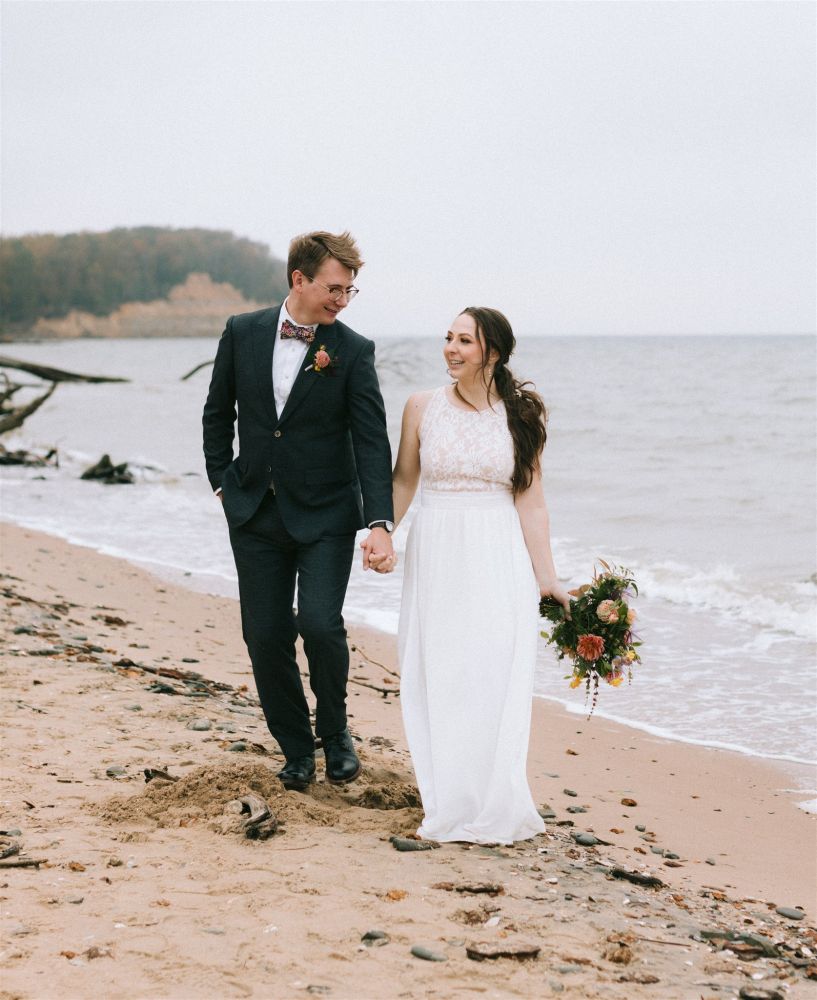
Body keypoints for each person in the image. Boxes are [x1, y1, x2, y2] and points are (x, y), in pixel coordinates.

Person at [202, 230, 395, 792]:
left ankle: (335, 732)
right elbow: (218, 412)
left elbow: (371, 441)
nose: (342, 299)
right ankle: (296, 749)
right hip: (254, 512)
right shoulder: (243, 331)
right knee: (263, 634)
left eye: (350, 291)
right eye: (334, 288)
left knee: (318, 623)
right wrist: (221, 481)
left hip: (327, 514)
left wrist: (379, 521)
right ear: (299, 280)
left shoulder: (354, 350)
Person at [389, 307, 571, 844]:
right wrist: (381, 533)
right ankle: (447, 802)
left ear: (492, 352)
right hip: (438, 549)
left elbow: (531, 504)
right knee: (440, 671)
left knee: (492, 672)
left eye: (463, 341)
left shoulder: (522, 416)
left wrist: (547, 577)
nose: (450, 348)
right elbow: (403, 481)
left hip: (498, 553)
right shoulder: (421, 407)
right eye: (448, 338)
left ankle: (496, 800)